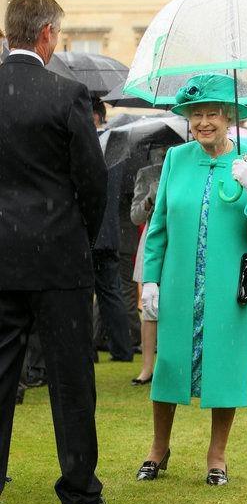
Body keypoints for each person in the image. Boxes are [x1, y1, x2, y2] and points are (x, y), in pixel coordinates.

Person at [136, 73, 247, 485]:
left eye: (212, 114)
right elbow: (160, 223)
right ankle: (158, 449)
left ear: (229, 116)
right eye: (196, 114)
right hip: (181, 283)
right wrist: (151, 280)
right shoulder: (177, 159)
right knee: (168, 365)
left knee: (226, 367)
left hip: (228, 288)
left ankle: (217, 456)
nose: (203, 122)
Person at [0, 0, 108, 504]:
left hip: (0, 260)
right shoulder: (68, 94)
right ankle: (81, 496)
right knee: (71, 385)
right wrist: (76, 234)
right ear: (45, 36)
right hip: (59, 260)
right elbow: (93, 182)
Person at [92, 98, 133, 363]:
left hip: (91, 230)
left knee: (85, 294)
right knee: (112, 293)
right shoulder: (119, 143)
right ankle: (122, 349)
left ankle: (89, 350)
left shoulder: (88, 142)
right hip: (110, 231)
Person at [130, 156, 165, 385]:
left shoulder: (191, 165)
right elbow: (135, 216)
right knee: (149, 307)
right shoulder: (147, 173)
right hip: (153, 239)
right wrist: (150, 199)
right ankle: (147, 368)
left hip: (183, 239)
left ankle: (172, 365)